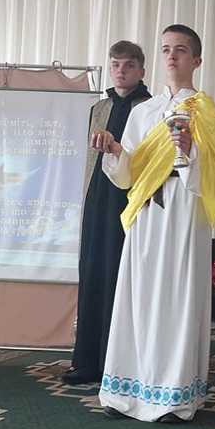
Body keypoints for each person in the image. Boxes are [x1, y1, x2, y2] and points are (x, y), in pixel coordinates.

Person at [92, 24, 215, 423]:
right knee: (138, 296)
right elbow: (128, 174)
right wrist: (114, 151)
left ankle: (173, 395)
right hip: (146, 211)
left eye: (180, 50)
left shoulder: (204, 109)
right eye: (166, 49)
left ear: (196, 60)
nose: (171, 56)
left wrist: (190, 152)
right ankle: (125, 390)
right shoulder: (143, 111)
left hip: (184, 210)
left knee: (175, 298)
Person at [62, 41, 152, 385]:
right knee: (93, 274)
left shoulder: (151, 108)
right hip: (96, 200)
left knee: (123, 278)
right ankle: (86, 361)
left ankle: (119, 365)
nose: (121, 71)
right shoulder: (98, 108)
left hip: (131, 201)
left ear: (141, 70)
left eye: (128, 65)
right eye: (115, 64)